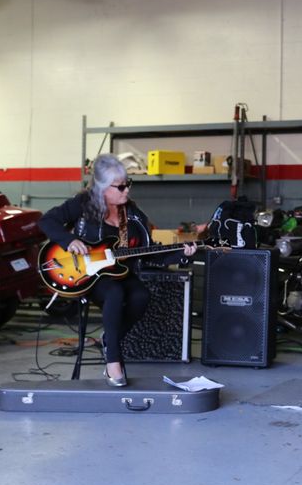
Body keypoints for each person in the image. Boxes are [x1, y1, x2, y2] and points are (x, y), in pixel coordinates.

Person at [39, 154, 197, 387]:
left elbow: (148, 250)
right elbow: (47, 221)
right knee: (114, 293)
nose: (127, 190)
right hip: (88, 275)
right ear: (103, 188)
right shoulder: (83, 204)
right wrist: (69, 240)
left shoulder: (133, 214)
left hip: (119, 272)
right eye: (121, 186)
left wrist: (181, 254)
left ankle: (110, 339)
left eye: (128, 184)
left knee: (141, 296)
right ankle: (113, 359)